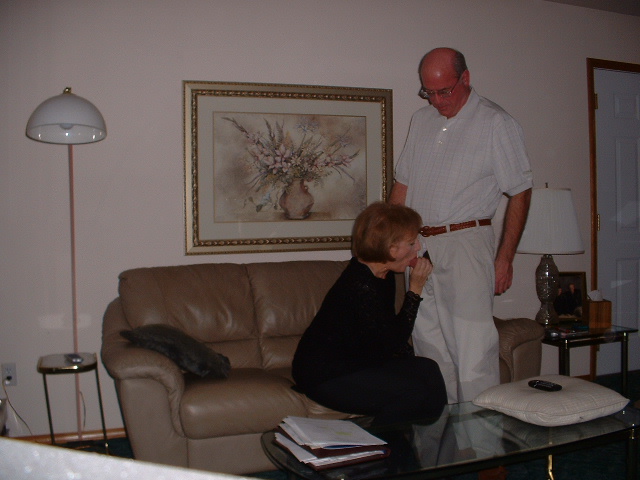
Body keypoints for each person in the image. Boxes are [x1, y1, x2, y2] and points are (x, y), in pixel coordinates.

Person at [389, 48, 533, 403]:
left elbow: (520, 191)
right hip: (420, 246)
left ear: (465, 78)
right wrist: (394, 243)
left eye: (445, 91)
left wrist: (505, 258)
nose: (437, 101)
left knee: (473, 354)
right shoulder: (421, 120)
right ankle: (445, 435)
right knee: (428, 348)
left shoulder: (495, 123)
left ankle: (482, 439)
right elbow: (402, 186)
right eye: (429, 92)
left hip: (466, 243)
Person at [292, 202, 447, 425]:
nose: (418, 247)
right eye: (411, 243)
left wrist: (407, 364)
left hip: (358, 362)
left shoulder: (382, 274)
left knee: (428, 370)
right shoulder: (361, 284)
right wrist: (415, 289)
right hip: (325, 375)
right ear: (391, 248)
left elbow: (387, 334)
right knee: (412, 392)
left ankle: (425, 439)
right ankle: (382, 443)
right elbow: (391, 343)